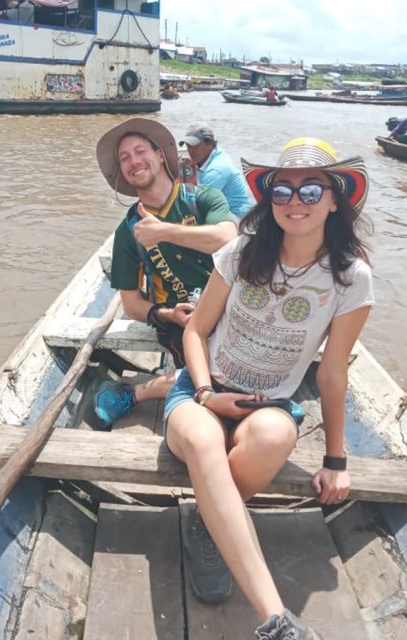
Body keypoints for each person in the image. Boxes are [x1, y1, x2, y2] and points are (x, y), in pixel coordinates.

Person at [164, 137, 373, 639]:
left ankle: (207, 525)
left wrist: (336, 461)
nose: (294, 202)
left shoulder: (351, 279)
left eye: (310, 191)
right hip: (202, 392)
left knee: (276, 438)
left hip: (270, 404)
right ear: (269, 199)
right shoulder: (239, 253)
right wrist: (204, 391)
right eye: (283, 191)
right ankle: (277, 620)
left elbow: (332, 373)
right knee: (202, 439)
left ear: (334, 198)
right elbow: (194, 331)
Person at [92, 118, 238, 428]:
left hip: (229, 308)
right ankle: (137, 393)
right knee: (217, 375)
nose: (134, 161)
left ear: (160, 154)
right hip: (180, 322)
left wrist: (164, 232)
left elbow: (228, 239)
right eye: (124, 157)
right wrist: (170, 314)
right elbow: (131, 305)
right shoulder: (128, 231)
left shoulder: (203, 199)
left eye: (139, 150)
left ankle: (139, 392)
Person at [180, 124, 256, 217]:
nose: (191, 151)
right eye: (188, 146)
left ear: (210, 144)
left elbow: (199, 208)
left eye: (195, 146)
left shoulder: (216, 171)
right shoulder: (217, 153)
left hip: (236, 220)